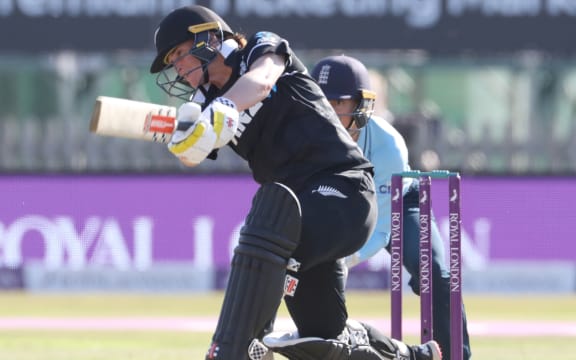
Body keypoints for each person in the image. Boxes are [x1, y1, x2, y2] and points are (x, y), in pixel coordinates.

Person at [150, 5, 442, 360]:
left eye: (180, 53)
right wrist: (185, 140)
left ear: (210, 37)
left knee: (267, 215)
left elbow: (260, 82)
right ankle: (409, 355)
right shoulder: (205, 102)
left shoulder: (259, 48)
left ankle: (235, 347)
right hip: (300, 222)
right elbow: (192, 154)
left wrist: (223, 108)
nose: (178, 66)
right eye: (172, 61)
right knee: (324, 339)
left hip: (344, 194)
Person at [311, 54, 472, 360]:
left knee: (437, 274)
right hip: (340, 203)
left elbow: (382, 229)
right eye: (322, 102)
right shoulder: (308, 137)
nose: (328, 113)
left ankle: (455, 356)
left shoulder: (388, 146)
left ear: (360, 105)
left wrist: (339, 263)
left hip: (399, 204)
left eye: (338, 104)